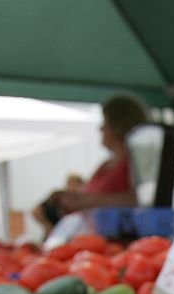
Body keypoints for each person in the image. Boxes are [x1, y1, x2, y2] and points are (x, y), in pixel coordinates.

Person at [33, 96, 149, 233]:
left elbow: (141, 200)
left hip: (123, 242)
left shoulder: (137, 163)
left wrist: (83, 201)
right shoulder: (105, 165)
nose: (100, 128)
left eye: (105, 122)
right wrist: (70, 198)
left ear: (119, 124)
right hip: (96, 240)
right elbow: (89, 197)